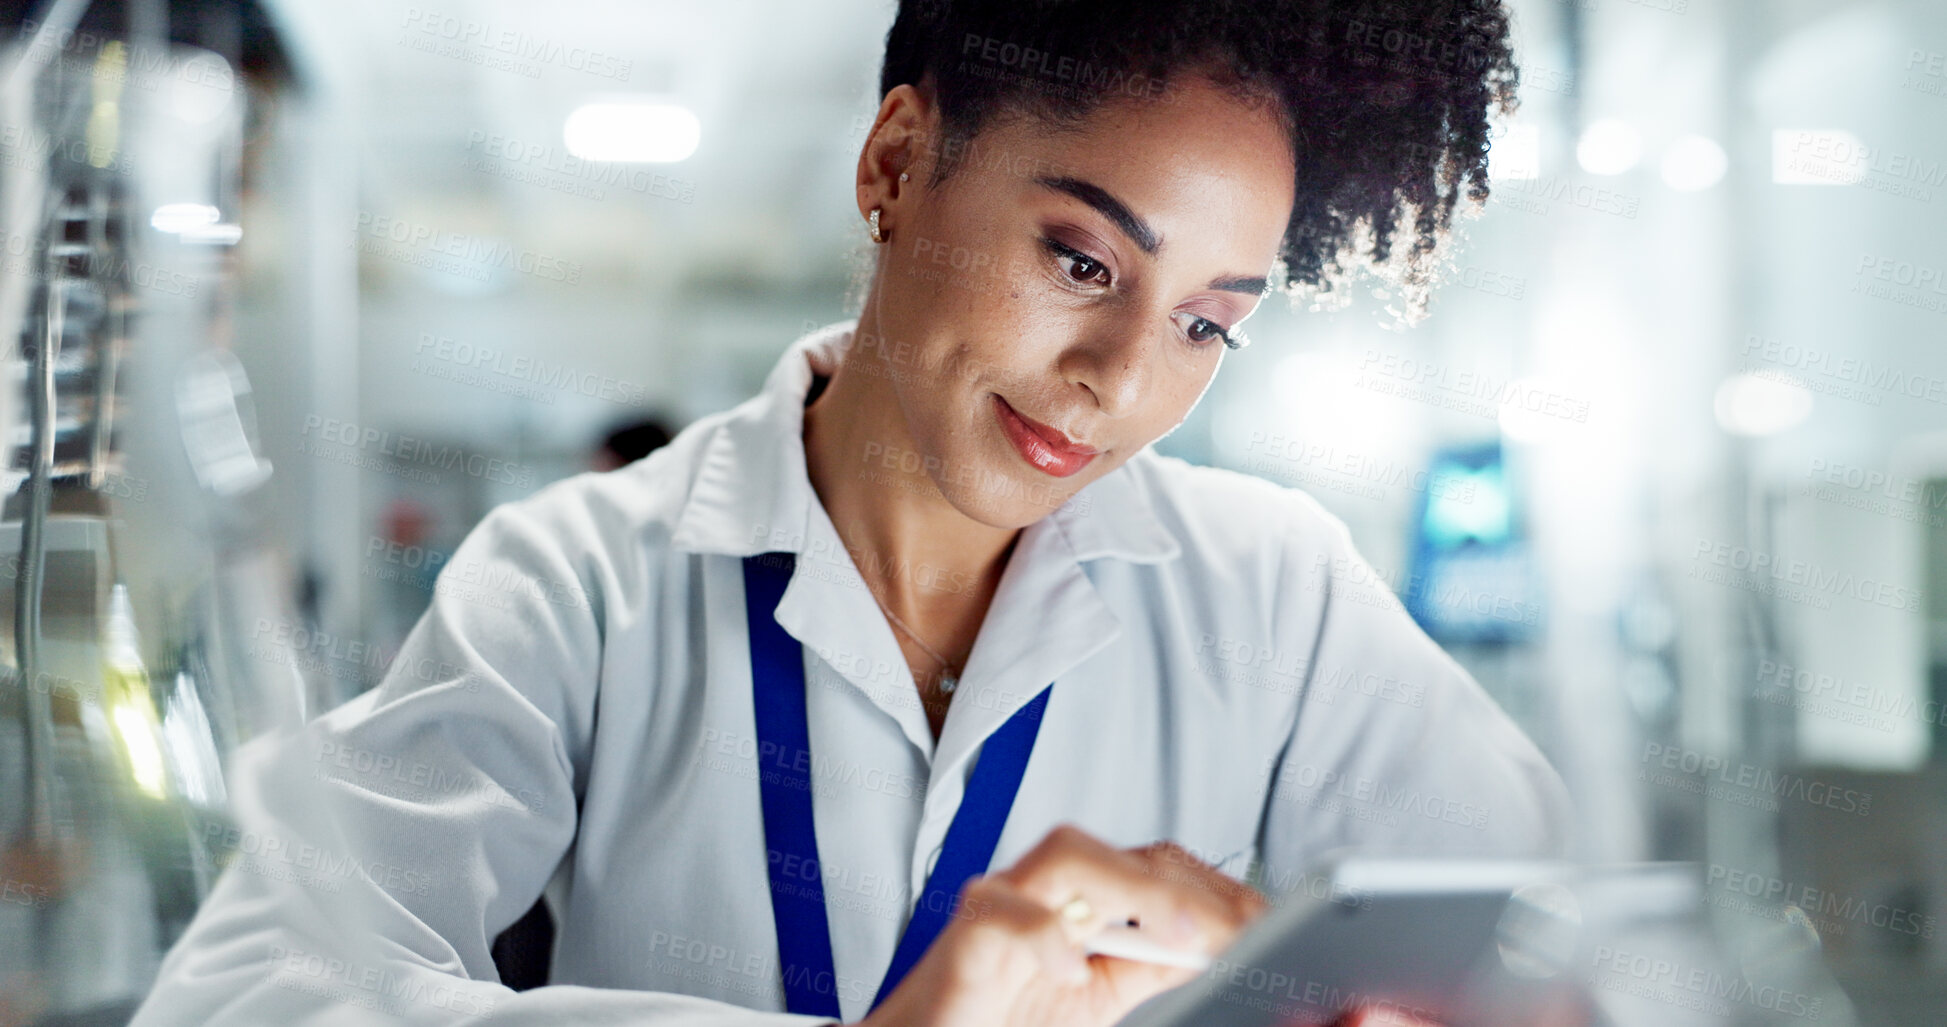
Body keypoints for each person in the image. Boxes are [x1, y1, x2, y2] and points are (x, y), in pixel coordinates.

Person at [133, 1, 1568, 1025]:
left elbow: (1566, 963)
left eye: (1205, 326)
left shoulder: (1275, 590)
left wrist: (1284, 962)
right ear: (894, 165)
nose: (1117, 380)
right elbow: (251, 990)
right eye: (1079, 260)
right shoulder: (581, 584)